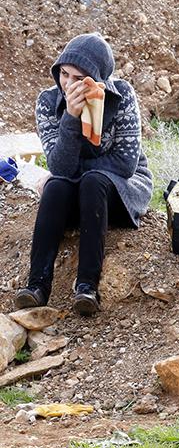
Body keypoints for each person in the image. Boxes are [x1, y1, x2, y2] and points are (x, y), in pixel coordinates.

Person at [13, 33, 153, 315]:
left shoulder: (122, 95)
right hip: (77, 191)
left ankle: (87, 287)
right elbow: (60, 167)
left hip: (121, 189)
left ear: (98, 80)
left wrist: (74, 173)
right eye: (65, 74)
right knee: (56, 186)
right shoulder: (48, 101)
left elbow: (125, 164)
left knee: (91, 181)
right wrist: (71, 118)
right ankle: (37, 285)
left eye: (80, 79)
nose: (69, 84)